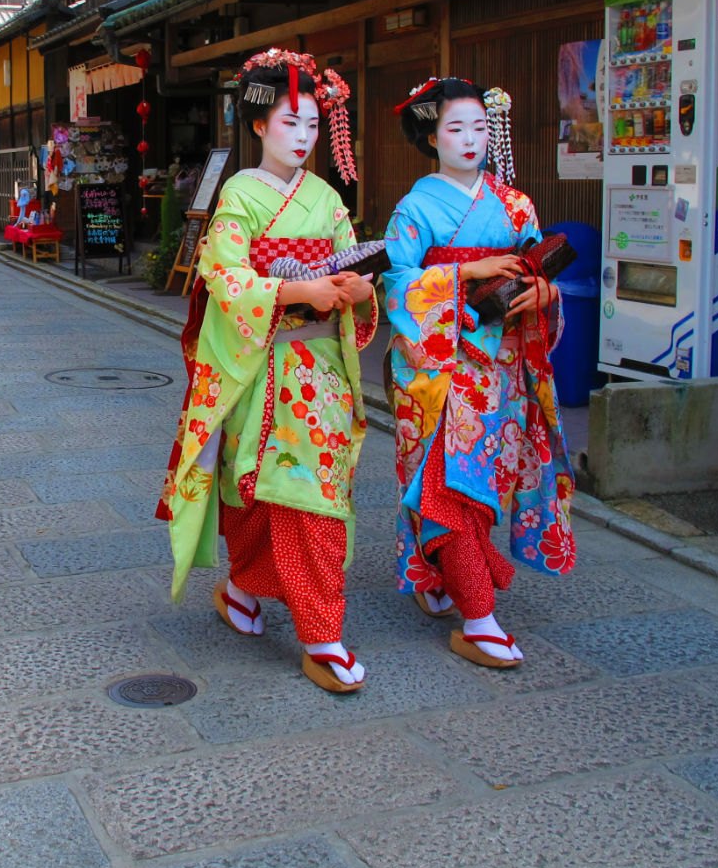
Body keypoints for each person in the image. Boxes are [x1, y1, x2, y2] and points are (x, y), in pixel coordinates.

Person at [157, 48, 377, 693]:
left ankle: (287, 613)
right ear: (259, 127)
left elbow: (353, 262)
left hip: (322, 367)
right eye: (290, 124)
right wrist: (294, 293)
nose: (304, 138)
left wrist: (360, 289)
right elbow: (222, 275)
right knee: (260, 491)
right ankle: (299, 622)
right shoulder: (241, 195)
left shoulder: (327, 197)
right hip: (261, 363)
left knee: (314, 495)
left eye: (313, 125)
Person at [381, 77, 577, 669]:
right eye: (455, 128)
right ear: (430, 136)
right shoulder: (414, 209)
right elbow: (395, 283)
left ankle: (445, 570)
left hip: (505, 371)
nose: (470, 139)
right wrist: (468, 274)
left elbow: (544, 267)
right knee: (447, 487)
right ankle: (479, 618)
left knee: (482, 486)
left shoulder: (515, 205)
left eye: (479, 127)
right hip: (443, 372)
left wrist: (543, 293)